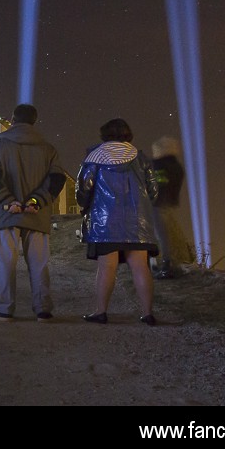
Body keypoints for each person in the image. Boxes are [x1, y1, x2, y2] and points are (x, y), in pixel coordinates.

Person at [0, 104, 67, 322]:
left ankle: (5, 307)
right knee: (39, 263)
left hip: (6, 214)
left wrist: (8, 201)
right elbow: (57, 178)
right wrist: (36, 201)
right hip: (37, 215)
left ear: (13, 119)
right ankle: (43, 309)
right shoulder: (48, 148)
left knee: (6, 262)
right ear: (35, 121)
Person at [76, 118, 160, 326]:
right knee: (140, 266)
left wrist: (84, 206)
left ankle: (101, 312)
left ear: (104, 135)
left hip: (105, 224)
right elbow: (154, 191)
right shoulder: (140, 158)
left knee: (107, 268)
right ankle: (147, 313)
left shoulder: (94, 157)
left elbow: (84, 188)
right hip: (137, 223)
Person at [149, 135, 187, 280]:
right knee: (167, 235)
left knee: (162, 235)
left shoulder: (159, 165)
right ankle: (171, 264)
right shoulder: (176, 166)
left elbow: (158, 184)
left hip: (158, 204)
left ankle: (167, 266)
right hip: (170, 203)